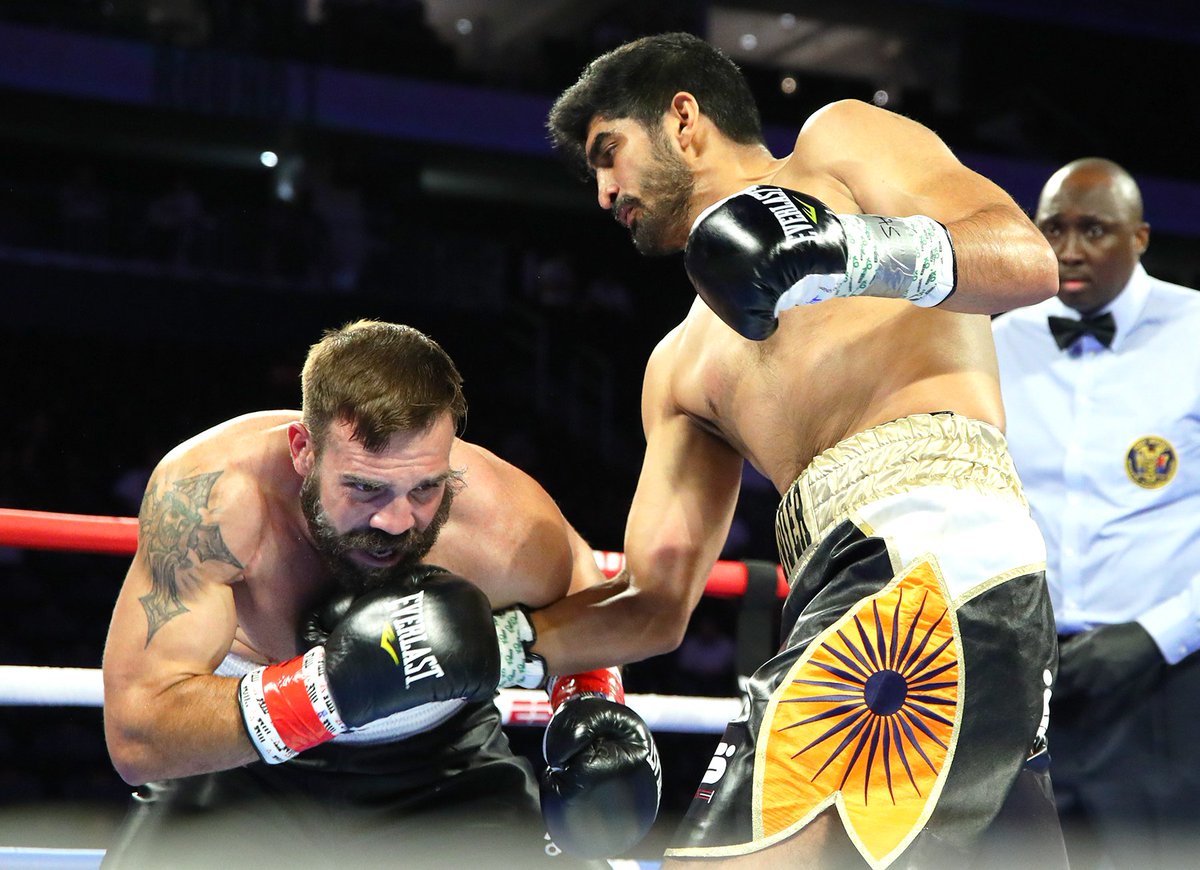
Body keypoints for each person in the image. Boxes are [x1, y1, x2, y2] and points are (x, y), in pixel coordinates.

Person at [528, 32, 1067, 868]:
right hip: (849, 584)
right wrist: (492, 645)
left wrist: (845, 253)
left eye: (609, 152)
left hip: (933, 552)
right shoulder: (679, 368)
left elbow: (1026, 259)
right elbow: (653, 603)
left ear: (683, 119)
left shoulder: (838, 149)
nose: (603, 193)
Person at [101, 320, 660, 868]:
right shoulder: (212, 500)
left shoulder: (496, 517)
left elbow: (584, 586)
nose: (397, 521)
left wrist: (591, 703)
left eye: (424, 488)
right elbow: (136, 735)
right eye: (365, 487)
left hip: (441, 773)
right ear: (304, 451)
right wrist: (331, 691)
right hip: (241, 772)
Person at [992, 158, 1200, 870]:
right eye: (1054, 228)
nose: (1069, 249)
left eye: (1094, 230)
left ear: (1140, 237)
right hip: (1022, 677)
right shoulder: (994, 342)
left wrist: (1158, 635)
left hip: (1162, 681)